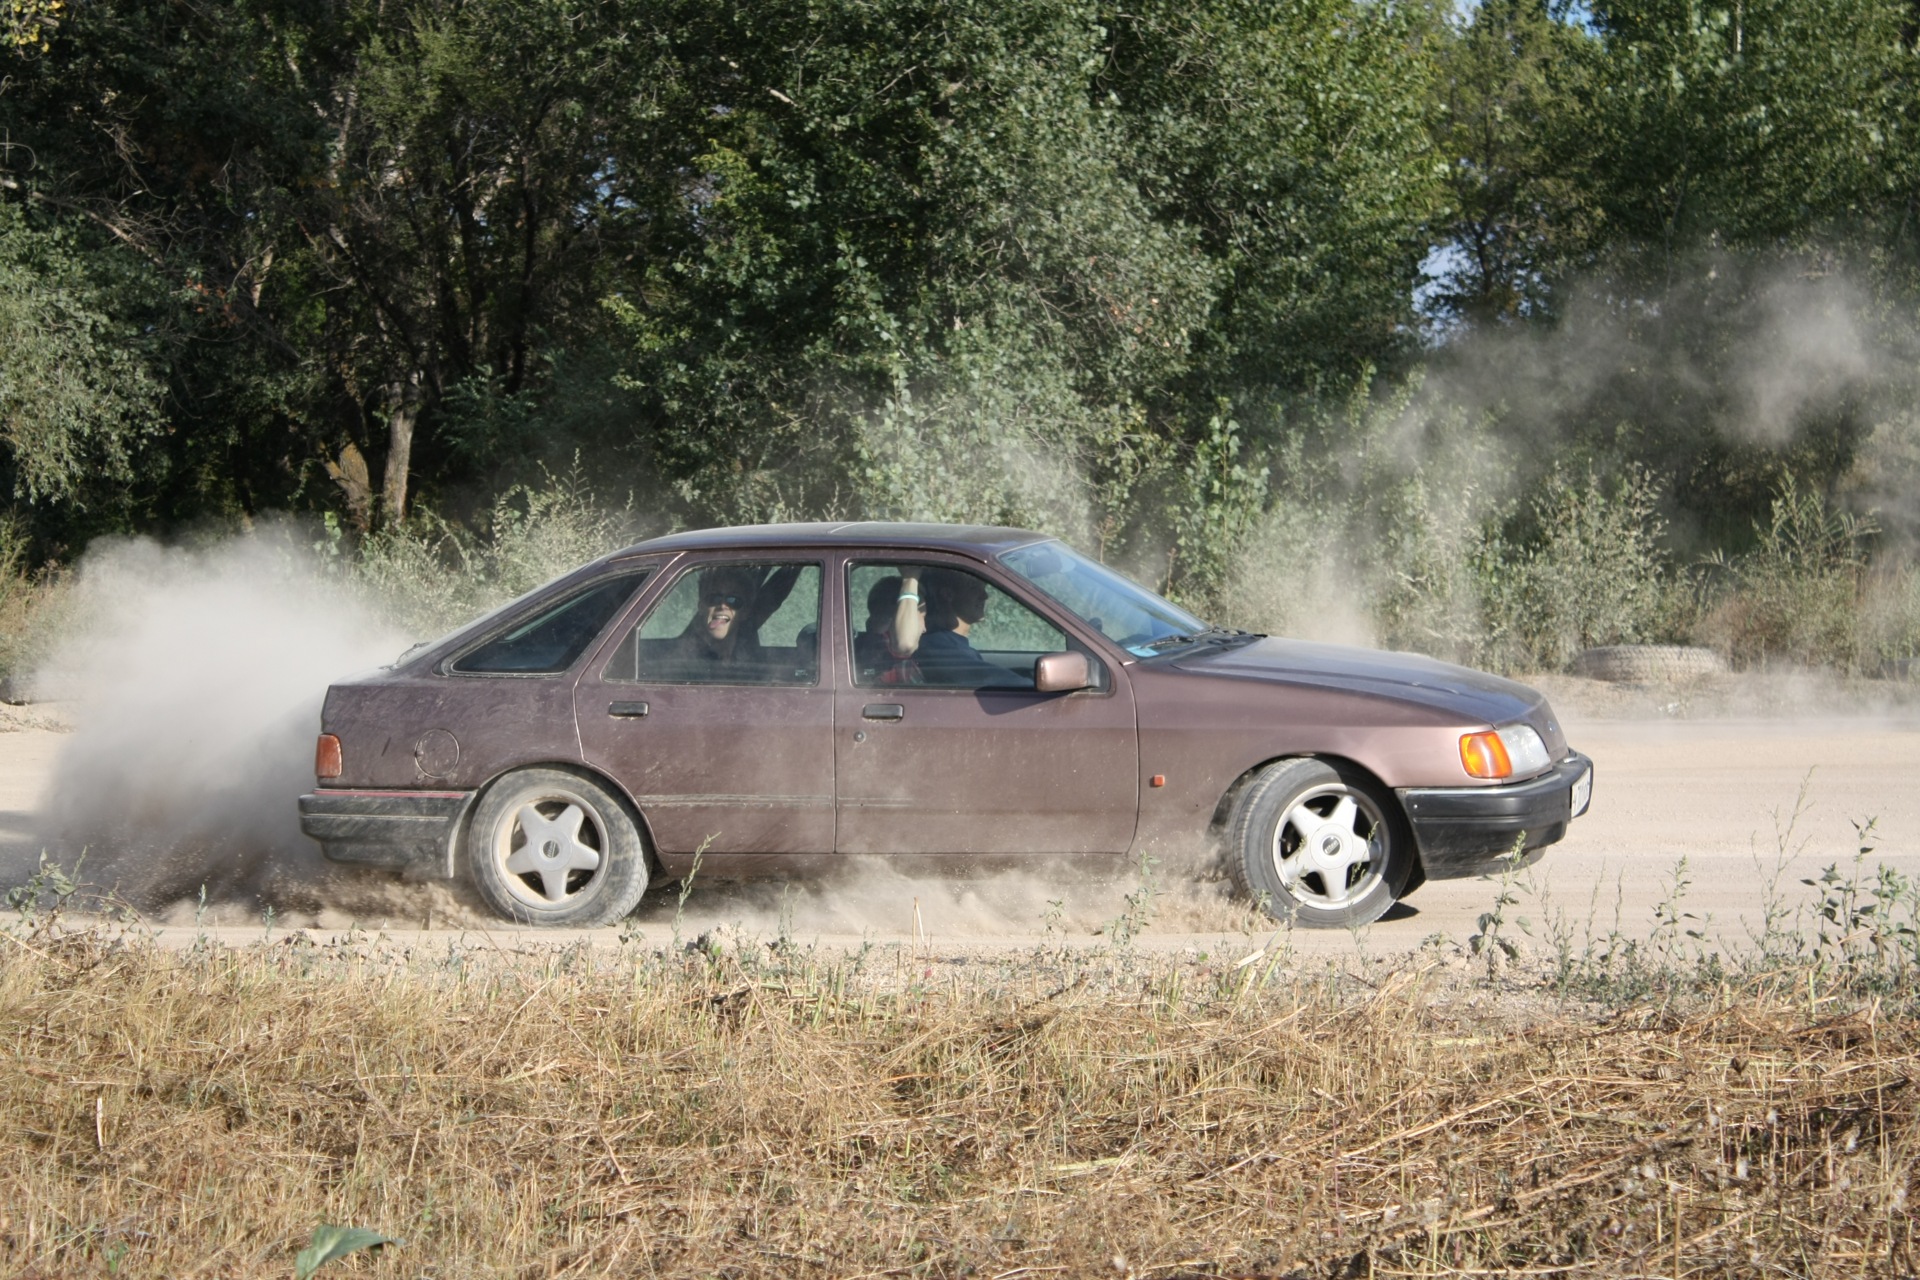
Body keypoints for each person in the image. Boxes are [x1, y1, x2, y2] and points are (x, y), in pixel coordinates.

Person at [916, 568, 1027, 688]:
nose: (984, 596)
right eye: (973, 587)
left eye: (983, 587)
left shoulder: (949, 642)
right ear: (947, 595)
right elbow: (989, 678)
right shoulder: (939, 647)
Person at [663, 567, 769, 679]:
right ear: (701, 606)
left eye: (733, 600)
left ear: (745, 612)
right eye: (714, 598)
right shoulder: (681, 664)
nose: (723, 606)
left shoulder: (755, 666)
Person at [853, 569, 926, 685]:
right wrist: (910, 579)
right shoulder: (891, 660)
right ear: (899, 615)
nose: (924, 629)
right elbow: (905, 643)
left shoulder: (859, 648)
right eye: (921, 619)